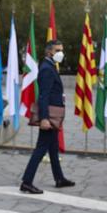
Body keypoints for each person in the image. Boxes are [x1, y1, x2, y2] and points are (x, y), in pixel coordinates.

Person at [20, 40, 75, 194]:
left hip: (52, 116)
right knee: (41, 149)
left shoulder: (50, 66)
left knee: (53, 148)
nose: (61, 53)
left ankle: (59, 178)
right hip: (49, 117)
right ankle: (26, 182)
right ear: (50, 52)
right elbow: (43, 95)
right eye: (58, 50)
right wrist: (44, 118)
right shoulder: (46, 69)